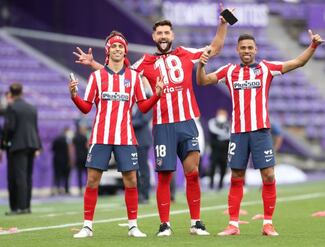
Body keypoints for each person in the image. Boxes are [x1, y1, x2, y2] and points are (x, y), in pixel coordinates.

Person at [73, 5, 231, 236]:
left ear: (172, 35)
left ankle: (196, 221)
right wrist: (94, 64)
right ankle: (165, 224)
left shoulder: (185, 53)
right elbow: (118, 76)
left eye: (167, 32)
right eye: (159, 33)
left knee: (193, 172)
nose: (164, 36)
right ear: (154, 37)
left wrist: (223, 24)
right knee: (164, 175)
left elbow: (215, 48)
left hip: (187, 121)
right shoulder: (144, 63)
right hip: (163, 125)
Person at [197, 30, 324, 236]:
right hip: (238, 133)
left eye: (250, 47)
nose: (247, 51)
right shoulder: (228, 71)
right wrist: (201, 64)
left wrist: (313, 46)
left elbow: (297, 62)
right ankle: (233, 225)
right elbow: (202, 81)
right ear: (237, 50)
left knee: (268, 175)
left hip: (261, 132)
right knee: (237, 176)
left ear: (256, 49)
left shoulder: (266, 68)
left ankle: (267, 223)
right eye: (243, 47)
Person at [70, 30, 164, 238]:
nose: (118, 49)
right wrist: (75, 96)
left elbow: (144, 106)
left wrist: (156, 95)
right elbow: (86, 108)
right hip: (101, 137)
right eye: (114, 46)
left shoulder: (134, 77)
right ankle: (87, 226)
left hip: (125, 137)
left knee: (131, 179)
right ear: (108, 50)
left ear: (125, 50)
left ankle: (133, 226)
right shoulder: (96, 77)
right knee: (92, 180)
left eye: (121, 46)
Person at [2, 83, 42, 215]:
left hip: (17, 146)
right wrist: (38, 146)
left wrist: (3, 145)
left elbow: (9, 128)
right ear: (21, 92)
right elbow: (35, 129)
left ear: (11, 93)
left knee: (18, 177)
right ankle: (26, 206)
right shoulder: (31, 108)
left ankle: (19, 208)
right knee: (27, 177)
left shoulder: (12, 107)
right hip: (32, 145)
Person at [132, 103, 152, 203]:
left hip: (142, 141)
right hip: (132, 141)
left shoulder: (145, 104)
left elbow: (144, 120)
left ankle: (145, 195)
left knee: (143, 169)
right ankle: (137, 195)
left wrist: (128, 123)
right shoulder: (130, 104)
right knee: (133, 170)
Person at [207, 108, 230, 190]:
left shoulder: (227, 124)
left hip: (224, 150)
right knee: (213, 166)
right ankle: (211, 183)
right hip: (215, 149)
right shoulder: (213, 122)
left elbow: (229, 135)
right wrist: (223, 134)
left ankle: (220, 184)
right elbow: (212, 130)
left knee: (223, 167)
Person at [51, 127, 72, 195]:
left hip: (57, 160)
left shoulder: (56, 139)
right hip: (66, 160)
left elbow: (53, 149)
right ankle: (66, 190)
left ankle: (57, 189)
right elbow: (69, 151)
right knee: (66, 176)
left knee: (57, 176)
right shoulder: (67, 140)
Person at [72, 125, 89, 194]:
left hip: (78, 157)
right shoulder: (84, 137)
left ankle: (80, 189)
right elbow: (87, 147)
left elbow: (72, 148)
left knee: (79, 174)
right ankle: (86, 188)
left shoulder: (75, 138)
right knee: (87, 174)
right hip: (84, 158)